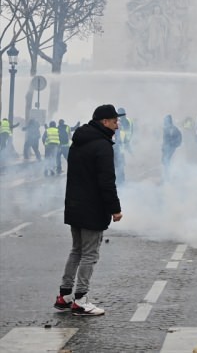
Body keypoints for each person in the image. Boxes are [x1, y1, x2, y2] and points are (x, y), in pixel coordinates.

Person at [53, 104, 124, 316]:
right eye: (114, 121)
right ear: (104, 122)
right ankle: (81, 300)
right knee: (89, 255)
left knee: (76, 251)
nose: (117, 126)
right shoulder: (102, 146)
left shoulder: (78, 142)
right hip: (93, 208)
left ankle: (64, 296)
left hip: (75, 205)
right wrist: (115, 208)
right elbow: (106, 181)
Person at [161, 114, 182, 180]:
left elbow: (175, 138)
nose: (164, 122)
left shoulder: (172, 129)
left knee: (166, 160)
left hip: (170, 147)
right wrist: (163, 147)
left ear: (168, 121)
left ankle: (167, 177)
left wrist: (173, 144)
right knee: (165, 161)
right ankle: (167, 176)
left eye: (165, 120)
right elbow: (165, 139)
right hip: (168, 147)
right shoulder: (166, 128)